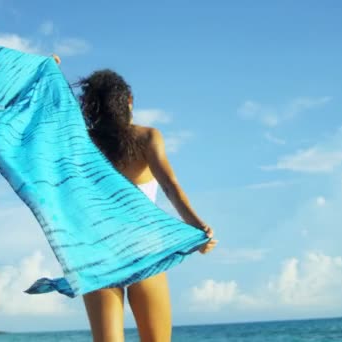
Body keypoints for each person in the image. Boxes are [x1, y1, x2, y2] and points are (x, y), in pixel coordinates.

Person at [53, 54, 218, 342]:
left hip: (99, 252)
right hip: (144, 249)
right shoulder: (147, 137)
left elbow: (55, 121)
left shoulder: (83, 142)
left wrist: (53, 76)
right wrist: (198, 227)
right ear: (128, 99)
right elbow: (170, 186)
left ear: (91, 106)